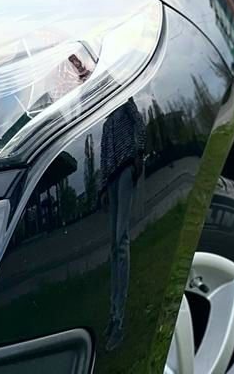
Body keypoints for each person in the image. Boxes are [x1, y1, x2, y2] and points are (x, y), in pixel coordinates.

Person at [99, 97, 146, 351]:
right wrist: (102, 186)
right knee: (112, 246)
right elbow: (104, 153)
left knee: (121, 240)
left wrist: (138, 153)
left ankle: (119, 319)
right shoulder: (106, 121)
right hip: (113, 178)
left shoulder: (124, 102)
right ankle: (112, 313)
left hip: (127, 168)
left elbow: (139, 123)